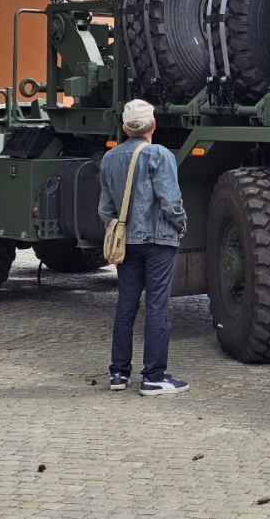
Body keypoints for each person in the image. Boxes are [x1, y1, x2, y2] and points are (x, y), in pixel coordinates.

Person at [98, 99, 189, 396]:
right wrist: (181, 225)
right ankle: (153, 376)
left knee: (126, 305)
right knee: (157, 306)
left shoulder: (109, 158)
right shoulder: (159, 154)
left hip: (127, 244)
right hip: (159, 241)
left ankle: (118, 373)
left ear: (125, 127)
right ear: (153, 125)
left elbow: (105, 209)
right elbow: (170, 201)